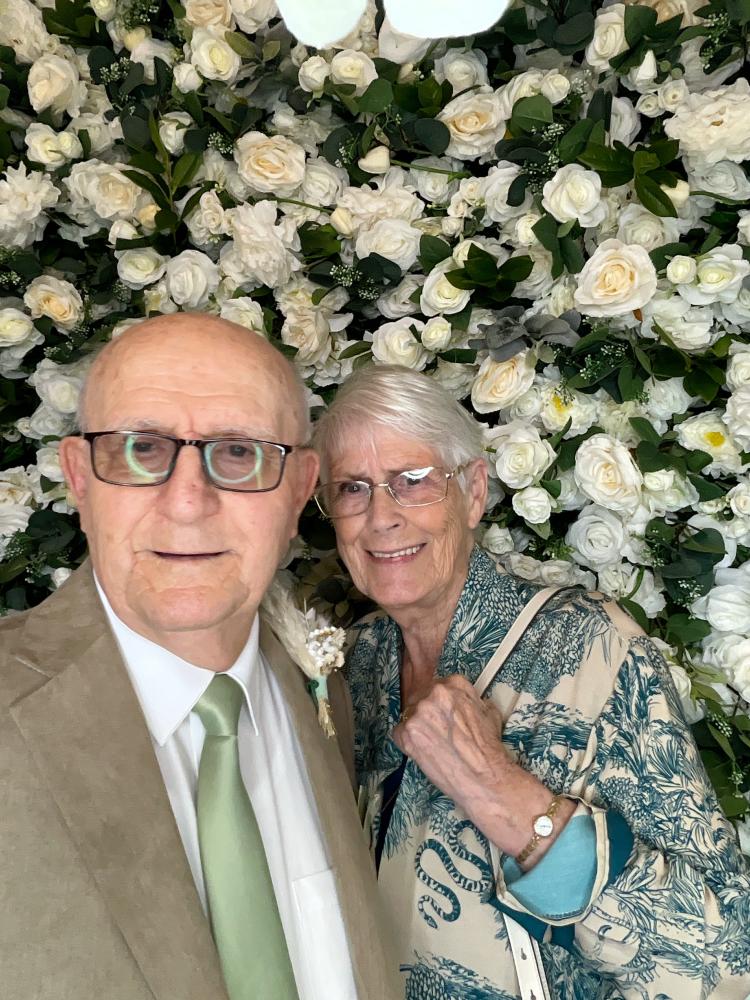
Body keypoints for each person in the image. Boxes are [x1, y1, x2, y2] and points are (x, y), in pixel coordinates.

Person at [312, 363, 750, 1000]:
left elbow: (725, 962)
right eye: (353, 489)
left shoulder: (589, 645)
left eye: (412, 481)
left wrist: (497, 789)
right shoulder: (355, 663)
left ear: (472, 493)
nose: (382, 517)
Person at [0, 314, 400, 1000]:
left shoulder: (324, 689)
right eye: (141, 449)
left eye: (239, 452)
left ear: (299, 489)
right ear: (79, 479)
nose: (187, 502)